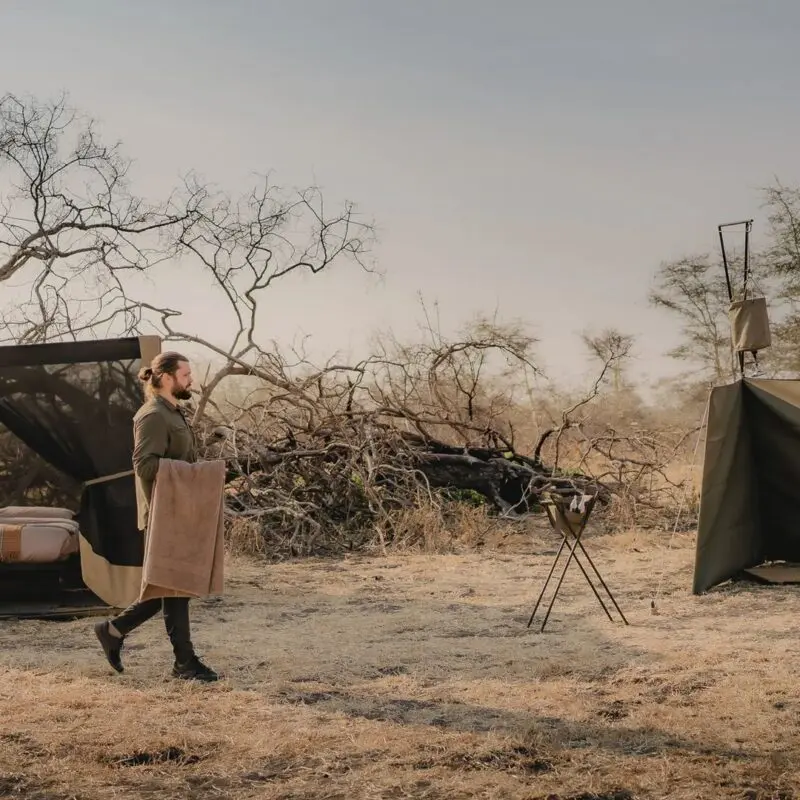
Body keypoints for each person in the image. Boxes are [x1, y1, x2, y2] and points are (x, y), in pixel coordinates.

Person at [93, 351, 219, 682]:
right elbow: (144, 465)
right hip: (163, 515)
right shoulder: (152, 416)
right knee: (174, 587)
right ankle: (184, 662)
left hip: (179, 511)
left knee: (173, 586)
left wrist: (204, 473)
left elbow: (181, 458)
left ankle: (114, 631)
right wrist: (192, 474)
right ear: (165, 377)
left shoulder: (173, 412)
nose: (191, 379)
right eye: (185, 374)